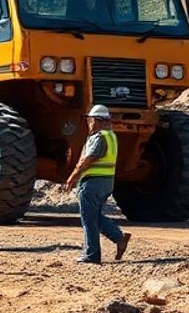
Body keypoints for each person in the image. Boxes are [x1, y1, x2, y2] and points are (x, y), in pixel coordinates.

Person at [64, 104, 131, 264]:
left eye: (90, 120)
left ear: (96, 120)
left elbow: (88, 159)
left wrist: (73, 176)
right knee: (94, 216)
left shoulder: (99, 137)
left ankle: (92, 255)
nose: (88, 124)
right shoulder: (111, 136)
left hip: (93, 183)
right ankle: (119, 238)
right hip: (106, 183)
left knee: (88, 219)